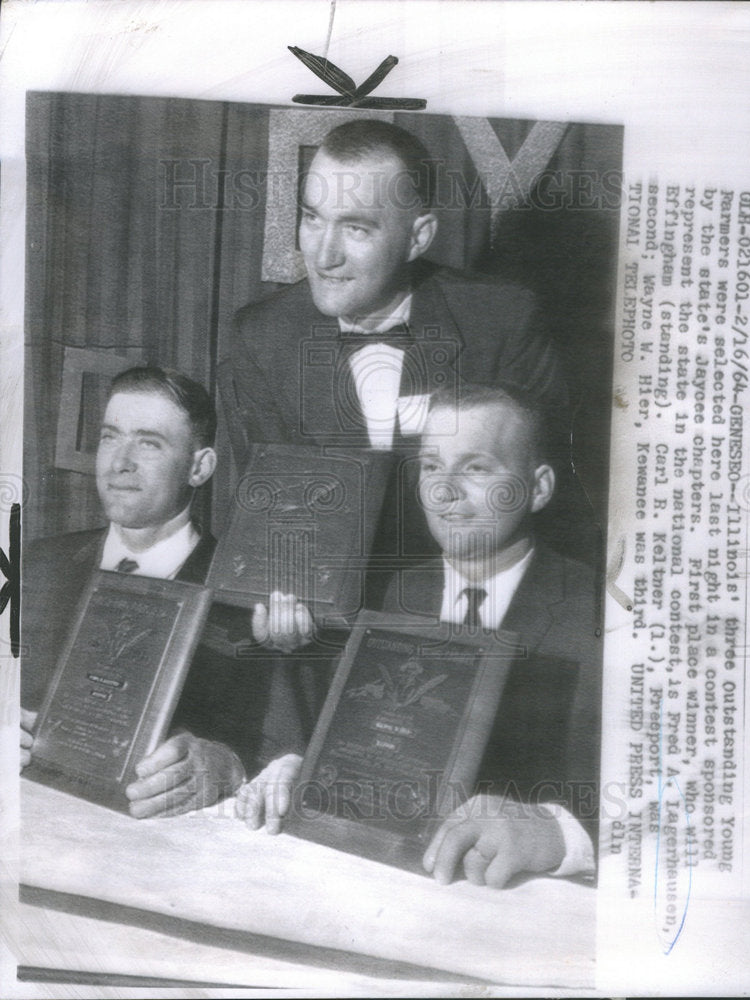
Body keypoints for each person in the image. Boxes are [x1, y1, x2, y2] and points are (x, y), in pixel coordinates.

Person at [236, 383, 602, 887]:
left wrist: (561, 835)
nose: (444, 491)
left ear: (538, 488)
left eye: (475, 467)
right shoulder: (382, 594)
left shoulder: (609, 616)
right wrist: (306, 766)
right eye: (432, 466)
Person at [219, 119, 569, 599]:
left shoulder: (501, 322)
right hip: (329, 613)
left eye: (356, 228)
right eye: (312, 218)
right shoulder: (262, 337)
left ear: (418, 237)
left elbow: (545, 506)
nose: (323, 256)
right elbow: (275, 518)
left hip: (467, 602)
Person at [20, 365, 322, 816]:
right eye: (109, 437)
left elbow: (289, 749)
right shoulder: (32, 565)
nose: (119, 462)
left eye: (148, 442)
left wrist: (228, 765)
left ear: (200, 467)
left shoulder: (253, 599)